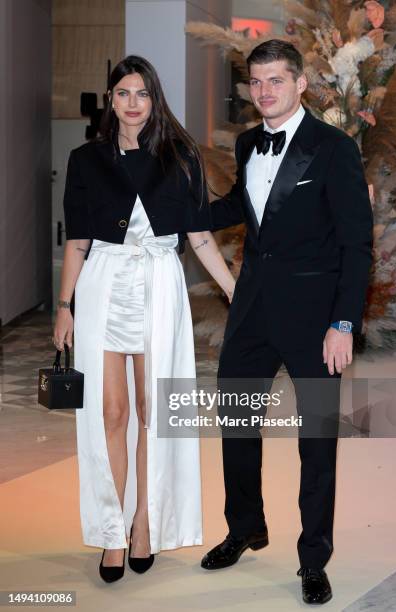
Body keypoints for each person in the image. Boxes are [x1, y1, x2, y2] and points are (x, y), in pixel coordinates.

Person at [201, 40, 373, 605]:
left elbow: (356, 244)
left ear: (300, 84)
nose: (265, 91)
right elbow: (239, 208)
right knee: (237, 427)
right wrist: (175, 209)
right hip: (251, 313)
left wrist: (343, 323)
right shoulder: (248, 141)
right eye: (256, 82)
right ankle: (246, 526)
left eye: (276, 80)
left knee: (317, 441)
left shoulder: (334, 148)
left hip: (315, 320)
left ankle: (312, 558)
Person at [53, 55, 235, 583]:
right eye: (123, 93)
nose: (132, 103)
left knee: (154, 411)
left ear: (154, 100)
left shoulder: (180, 156)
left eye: (142, 93)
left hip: (158, 285)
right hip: (104, 286)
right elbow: (79, 241)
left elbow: (199, 233)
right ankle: (111, 532)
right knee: (110, 413)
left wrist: (233, 292)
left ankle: (144, 523)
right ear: (111, 100)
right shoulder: (86, 158)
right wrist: (64, 308)